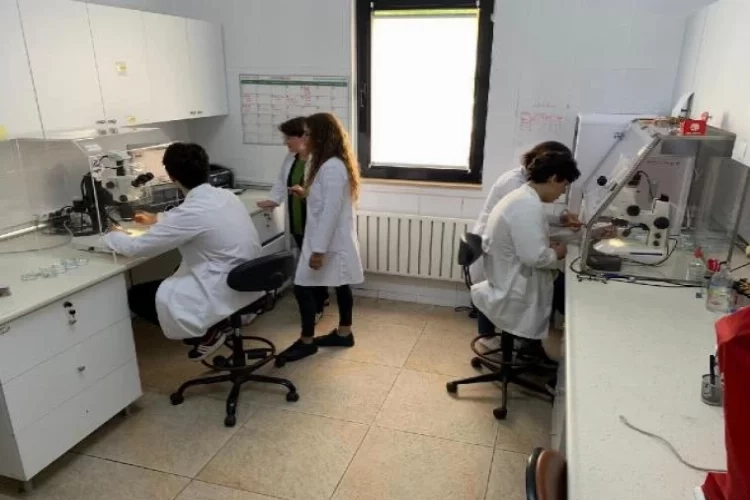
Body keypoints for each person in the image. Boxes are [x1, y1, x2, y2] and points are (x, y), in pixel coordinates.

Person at [104, 143, 261, 361]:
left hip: (223, 287)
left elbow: (136, 248)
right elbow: (188, 218)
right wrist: (157, 218)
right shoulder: (226, 196)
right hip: (249, 278)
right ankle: (221, 323)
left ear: (171, 176)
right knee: (178, 269)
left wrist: (113, 235)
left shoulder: (189, 213)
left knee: (137, 296)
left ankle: (207, 333)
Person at [275, 113, 364, 365]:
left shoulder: (332, 167)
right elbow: (326, 200)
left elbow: (330, 212)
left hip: (329, 243)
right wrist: (306, 194)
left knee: (302, 286)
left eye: (308, 134)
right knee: (342, 284)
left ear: (321, 136)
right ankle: (344, 333)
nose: (305, 138)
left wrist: (318, 251)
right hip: (332, 241)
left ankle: (307, 342)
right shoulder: (327, 164)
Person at [471, 152, 581, 348]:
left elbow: (529, 238)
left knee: (562, 284)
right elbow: (535, 258)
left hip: (505, 274)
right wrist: (558, 253)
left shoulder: (522, 196)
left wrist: (552, 244)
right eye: (564, 185)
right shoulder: (527, 205)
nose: (563, 192)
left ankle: (533, 347)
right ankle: (545, 348)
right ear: (553, 178)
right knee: (572, 295)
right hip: (514, 284)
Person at [257, 117, 329, 321]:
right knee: (309, 263)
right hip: (297, 220)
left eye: (289, 137)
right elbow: (281, 183)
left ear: (303, 137)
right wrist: (273, 200)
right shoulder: (291, 159)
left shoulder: (320, 161)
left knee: (313, 265)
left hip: (314, 222)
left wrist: (305, 192)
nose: (285, 142)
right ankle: (321, 298)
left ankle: (317, 306)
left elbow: (325, 195)